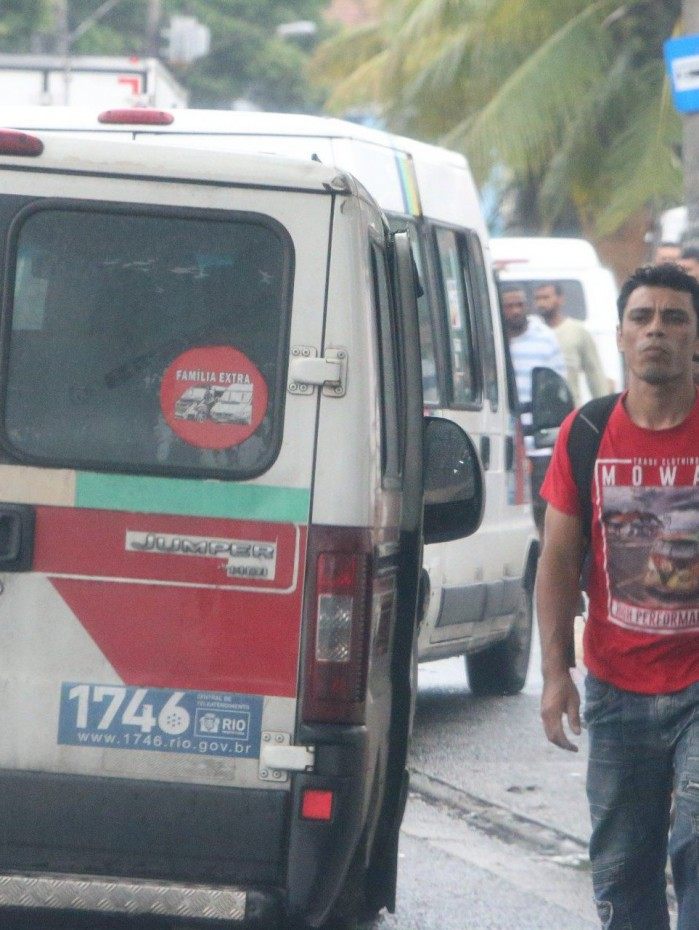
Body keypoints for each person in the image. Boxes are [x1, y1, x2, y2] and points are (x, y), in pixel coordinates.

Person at [537, 262, 699, 930]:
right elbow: (556, 560)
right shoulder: (584, 433)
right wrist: (554, 674)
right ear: (620, 336)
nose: (655, 331)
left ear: (695, 338)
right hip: (615, 686)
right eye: (641, 318)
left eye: (673, 318)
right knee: (621, 870)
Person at [501, 285, 567, 537]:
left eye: (520, 305)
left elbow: (557, 389)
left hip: (540, 443)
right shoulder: (493, 343)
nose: (516, 311)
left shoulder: (545, 339)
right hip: (508, 443)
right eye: (510, 306)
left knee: (544, 509)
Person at [534, 282, 609, 405]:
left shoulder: (577, 331)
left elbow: (594, 372)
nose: (541, 303)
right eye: (538, 299)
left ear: (560, 299)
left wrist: (604, 407)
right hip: (539, 414)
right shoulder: (533, 333)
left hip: (570, 409)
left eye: (546, 298)